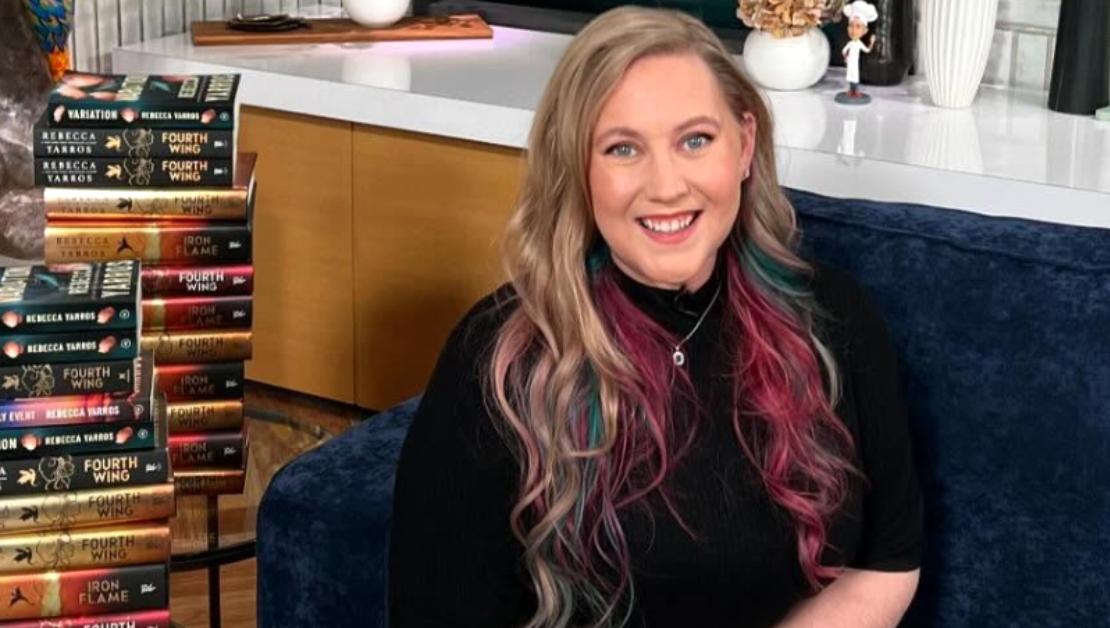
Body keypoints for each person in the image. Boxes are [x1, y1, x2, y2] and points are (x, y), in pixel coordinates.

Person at [389, 6, 922, 627]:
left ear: (744, 145)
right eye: (623, 149)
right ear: (577, 171)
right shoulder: (498, 360)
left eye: (696, 140)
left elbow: (887, 560)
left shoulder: (835, 318)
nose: (666, 185)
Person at [838, 1, 878, 105]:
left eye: (858, 26)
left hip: (855, 64)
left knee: (855, 76)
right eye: (851, 25)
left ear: (864, 31)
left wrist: (872, 43)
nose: (853, 30)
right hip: (850, 63)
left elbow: (867, 50)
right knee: (850, 76)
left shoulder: (859, 44)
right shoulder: (850, 43)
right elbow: (844, 51)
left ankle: (855, 91)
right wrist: (846, 57)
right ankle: (851, 90)